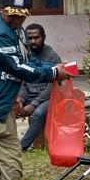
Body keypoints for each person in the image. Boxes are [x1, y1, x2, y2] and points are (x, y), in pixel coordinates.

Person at [0, 0, 64, 180]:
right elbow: (17, 67)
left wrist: (51, 67)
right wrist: (54, 73)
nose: (17, 19)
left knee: (0, 155)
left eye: (21, 16)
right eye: (12, 14)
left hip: (0, 99)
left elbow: (24, 61)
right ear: (1, 10)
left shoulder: (12, 29)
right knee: (10, 155)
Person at [18, 23, 62, 151]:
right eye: (29, 38)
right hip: (30, 97)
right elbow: (24, 81)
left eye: (36, 37)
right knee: (8, 107)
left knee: (37, 114)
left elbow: (52, 86)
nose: (33, 41)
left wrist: (34, 104)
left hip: (50, 98)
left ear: (44, 37)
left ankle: (21, 147)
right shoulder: (26, 55)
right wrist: (20, 99)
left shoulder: (52, 56)